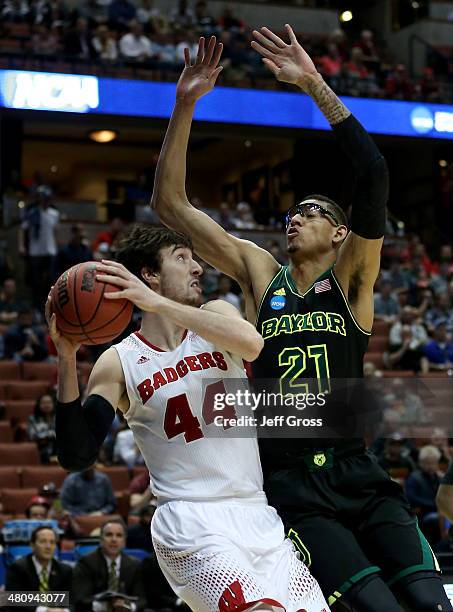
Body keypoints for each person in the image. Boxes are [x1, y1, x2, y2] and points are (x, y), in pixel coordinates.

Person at [151, 32, 452, 612]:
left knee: (428, 601)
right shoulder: (261, 273)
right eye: (294, 211)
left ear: (340, 233)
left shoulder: (354, 281)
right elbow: (171, 206)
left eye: (312, 212)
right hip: (292, 483)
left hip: (357, 472)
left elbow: (374, 171)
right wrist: (185, 104)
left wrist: (315, 84)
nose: (296, 217)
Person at [49, 223, 329, 612]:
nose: (197, 268)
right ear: (149, 275)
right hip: (190, 522)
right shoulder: (119, 361)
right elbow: (76, 455)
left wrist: (155, 303)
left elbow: (251, 343)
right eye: (182, 259)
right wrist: (66, 357)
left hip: (257, 514)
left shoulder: (215, 317)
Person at [72, 518, 146, 612]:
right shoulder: (86, 563)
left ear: (124, 542)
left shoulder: (135, 565)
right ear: (101, 540)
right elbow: (80, 599)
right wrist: (106, 606)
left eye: (119, 535)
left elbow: (142, 599)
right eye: (109, 535)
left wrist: (129, 607)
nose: (114, 539)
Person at [5, 526, 72, 606]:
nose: (48, 546)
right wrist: (45, 610)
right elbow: (11, 599)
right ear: (32, 545)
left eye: (52, 542)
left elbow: (71, 600)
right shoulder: (18, 568)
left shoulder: (64, 570)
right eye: (43, 542)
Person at [27, 393, 57, 464]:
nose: (47, 405)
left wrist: (46, 435)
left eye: (49, 402)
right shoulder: (33, 419)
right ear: (39, 405)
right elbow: (32, 436)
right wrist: (52, 435)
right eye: (44, 403)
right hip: (41, 448)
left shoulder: (58, 417)